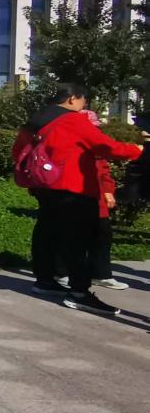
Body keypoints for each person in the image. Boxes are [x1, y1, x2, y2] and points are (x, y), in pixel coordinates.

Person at [16, 83, 144, 315]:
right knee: (78, 241)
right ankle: (79, 293)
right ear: (73, 98)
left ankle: (44, 281)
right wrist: (138, 150)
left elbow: (19, 152)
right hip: (73, 188)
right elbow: (106, 146)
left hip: (44, 185)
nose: (84, 105)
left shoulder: (36, 120)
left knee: (47, 232)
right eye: (84, 100)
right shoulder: (73, 120)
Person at [82, 108, 128, 291]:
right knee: (72, 237)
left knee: (103, 235)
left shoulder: (97, 148)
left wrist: (108, 191)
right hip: (75, 197)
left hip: (97, 199)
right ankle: (62, 273)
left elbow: (104, 172)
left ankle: (101, 274)